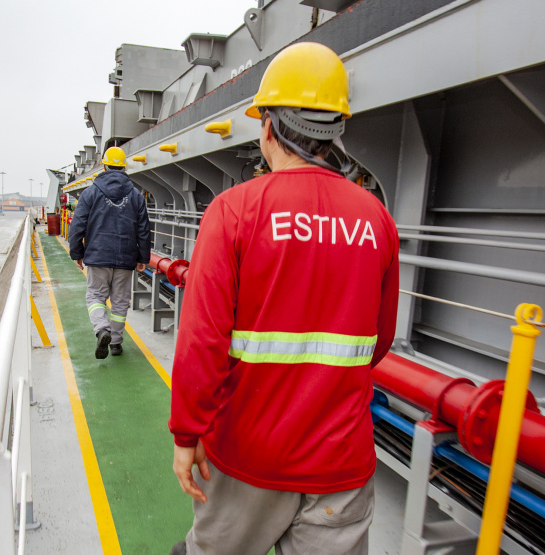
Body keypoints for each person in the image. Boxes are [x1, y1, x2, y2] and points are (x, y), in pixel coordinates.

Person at [168, 42, 400, 555]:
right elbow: (379, 340)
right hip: (341, 460)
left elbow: (202, 340)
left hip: (250, 454)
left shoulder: (234, 211)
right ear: (336, 132)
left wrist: (187, 434)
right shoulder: (376, 219)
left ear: (269, 127)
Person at [68, 146, 151, 359]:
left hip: (97, 256)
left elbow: (77, 225)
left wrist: (77, 252)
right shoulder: (136, 195)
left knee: (95, 296)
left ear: (103, 166)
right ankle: (115, 343)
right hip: (125, 258)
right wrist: (143, 257)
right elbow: (143, 229)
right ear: (124, 168)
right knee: (120, 301)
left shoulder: (90, 193)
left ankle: (101, 329)